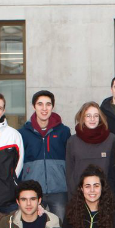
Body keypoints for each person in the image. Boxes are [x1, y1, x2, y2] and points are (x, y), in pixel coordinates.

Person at [21, 90, 71, 221]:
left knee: (59, 227)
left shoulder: (63, 131)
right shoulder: (23, 133)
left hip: (59, 189)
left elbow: (70, 159)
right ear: (34, 106)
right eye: (40, 104)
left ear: (52, 107)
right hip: (33, 191)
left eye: (48, 104)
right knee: (33, 227)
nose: (44, 108)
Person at [65, 101, 115, 200]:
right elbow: (69, 171)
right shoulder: (72, 141)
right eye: (88, 116)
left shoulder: (111, 139)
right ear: (82, 118)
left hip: (105, 198)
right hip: (79, 197)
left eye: (96, 116)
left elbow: (114, 171)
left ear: (100, 118)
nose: (92, 119)